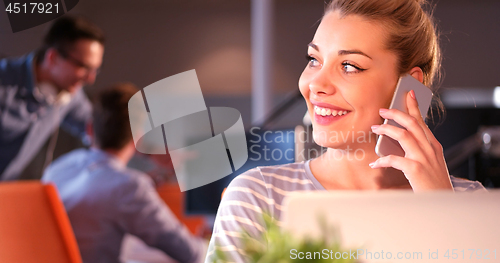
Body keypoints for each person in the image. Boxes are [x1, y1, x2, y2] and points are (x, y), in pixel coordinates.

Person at [205, 0, 487, 262]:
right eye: (314, 59)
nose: (316, 83)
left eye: (349, 66)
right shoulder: (258, 197)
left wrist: (442, 212)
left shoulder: (471, 204)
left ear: (408, 87)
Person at [42, 83, 207, 263]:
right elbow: (192, 254)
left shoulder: (58, 168)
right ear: (138, 136)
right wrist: (207, 241)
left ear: (89, 129)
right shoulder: (130, 186)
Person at [0, 16, 105, 181]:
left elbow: (100, 129)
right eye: (84, 67)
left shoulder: (70, 94)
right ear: (53, 57)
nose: (90, 79)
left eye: (95, 70)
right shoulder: (4, 83)